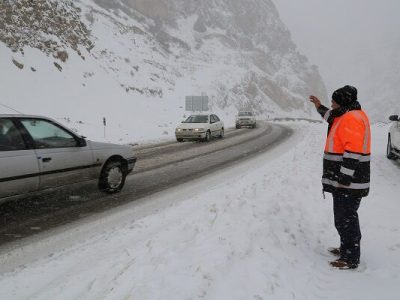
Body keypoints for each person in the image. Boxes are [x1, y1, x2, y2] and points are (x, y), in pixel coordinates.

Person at [309, 85, 371, 270]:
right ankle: (346, 248)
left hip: (350, 182)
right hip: (349, 180)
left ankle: (350, 258)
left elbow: (353, 152)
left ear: (343, 102)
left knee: (346, 218)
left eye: (334, 101)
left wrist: (344, 178)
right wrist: (319, 106)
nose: (332, 103)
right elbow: (331, 117)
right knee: (344, 217)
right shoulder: (345, 114)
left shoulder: (352, 119)